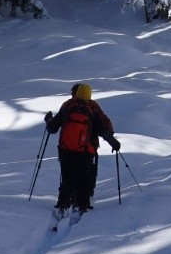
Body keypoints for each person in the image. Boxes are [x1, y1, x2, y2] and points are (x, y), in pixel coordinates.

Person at [44, 82, 120, 220]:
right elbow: (104, 130)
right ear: (89, 95)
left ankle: (63, 206)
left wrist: (48, 119)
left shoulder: (67, 106)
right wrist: (113, 142)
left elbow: (52, 128)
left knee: (68, 177)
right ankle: (82, 206)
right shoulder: (93, 109)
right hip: (86, 151)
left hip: (66, 149)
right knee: (84, 178)